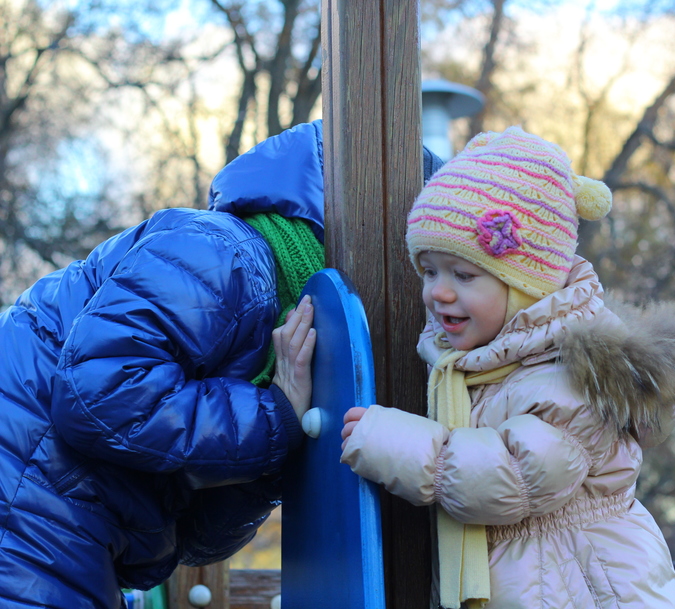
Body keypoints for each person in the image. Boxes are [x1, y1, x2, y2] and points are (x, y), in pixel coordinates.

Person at [0, 117, 444, 608]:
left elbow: (196, 540)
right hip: (27, 499)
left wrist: (277, 457)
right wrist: (274, 416)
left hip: (66, 517)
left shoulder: (280, 341)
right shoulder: (223, 255)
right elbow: (99, 393)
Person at [341, 125, 675, 609]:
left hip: (589, 588)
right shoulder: (486, 366)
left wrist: (393, 440)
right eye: (430, 270)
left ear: (528, 287)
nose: (438, 291)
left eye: (464, 274)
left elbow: (511, 478)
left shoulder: (569, 377)